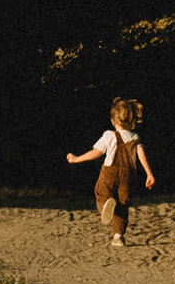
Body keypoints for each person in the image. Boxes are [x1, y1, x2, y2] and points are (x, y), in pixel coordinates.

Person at [65, 97, 156, 246]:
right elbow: (142, 157)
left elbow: (96, 152)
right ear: (132, 120)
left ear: (113, 121)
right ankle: (118, 237)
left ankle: (105, 206)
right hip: (128, 175)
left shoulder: (109, 135)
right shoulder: (135, 138)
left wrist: (76, 159)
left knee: (101, 193)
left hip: (110, 172)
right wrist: (149, 174)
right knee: (123, 205)